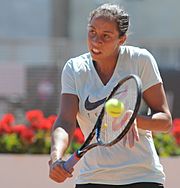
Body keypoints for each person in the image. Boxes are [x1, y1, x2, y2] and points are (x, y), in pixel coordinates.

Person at [49, 3, 172, 188]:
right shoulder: (74, 69)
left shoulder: (140, 60)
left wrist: (134, 121)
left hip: (143, 178)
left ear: (121, 39)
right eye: (92, 32)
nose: (96, 41)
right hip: (92, 179)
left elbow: (165, 121)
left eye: (106, 36)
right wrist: (55, 157)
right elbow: (65, 122)